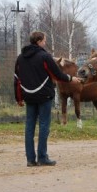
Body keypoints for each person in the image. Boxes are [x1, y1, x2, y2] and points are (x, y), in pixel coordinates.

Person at [14, 31, 81, 167]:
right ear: (39, 41)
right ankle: (42, 157)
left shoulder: (20, 58)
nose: (45, 43)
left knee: (29, 127)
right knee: (44, 125)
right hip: (44, 95)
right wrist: (71, 78)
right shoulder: (45, 56)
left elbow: (17, 80)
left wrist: (19, 98)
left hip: (29, 96)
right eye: (44, 40)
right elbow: (57, 74)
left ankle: (30, 159)